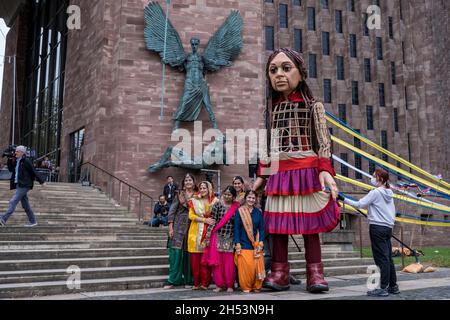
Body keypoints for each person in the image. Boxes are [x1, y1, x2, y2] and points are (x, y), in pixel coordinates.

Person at [256, 48, 340, 293]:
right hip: (279, 174)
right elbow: (267, 145)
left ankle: (315, 272)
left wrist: (325, 170)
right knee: (277, 227)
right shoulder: (269, 111)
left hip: (306, 170)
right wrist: (262, 174)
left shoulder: (314, 107)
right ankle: (280, 272)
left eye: (286, 68)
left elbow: (324, 142)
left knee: (310, 224)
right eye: (273, 70)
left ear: (300, 74)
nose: (279, 74)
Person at [339, 169, 400, 297]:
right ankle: (393, 286)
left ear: (381, 179)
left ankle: (383, 288)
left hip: (377, 228)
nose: (371, 178)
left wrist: (342, 198)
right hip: (387, 228)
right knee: (388, 258)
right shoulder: (389, 193)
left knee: (382, 259)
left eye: (374, 176)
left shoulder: (376, 192)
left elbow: (359, 204)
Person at [202, 186, 240, 293]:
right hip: (217, 236)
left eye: (229, 195)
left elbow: (238, 224)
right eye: (225, 194)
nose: (227, 196)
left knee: (229, 263)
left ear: (233, 196)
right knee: (217, 263)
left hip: (230, 237)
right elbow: (212, 221)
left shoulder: (236, 207)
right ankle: (219, 284)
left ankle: (229, 285)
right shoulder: (217, 205)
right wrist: (208, 236)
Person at [164, 173, 197, 289]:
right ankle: (173, 280)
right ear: (184, 183)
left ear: (194, 182)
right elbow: (172, 211)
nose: (188, 182)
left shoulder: (198, 195)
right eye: (186, 180)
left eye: (190, 180)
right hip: (178, 226)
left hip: (192, 227)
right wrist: (171, 227)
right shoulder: (179, 194)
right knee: (176, 254)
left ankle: (189, 280)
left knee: (189, 254)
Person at [0, 146, 46, 227]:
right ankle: (33, 221)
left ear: (22, 153)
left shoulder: (26, 161)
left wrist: (41, 181)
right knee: (25, 205)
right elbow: (11, 169)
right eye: (15, 151)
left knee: (13, 201)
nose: (15, 153)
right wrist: (9, 159)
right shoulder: (17, 160)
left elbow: (33, 171)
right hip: (19, 184)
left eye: (17, 151)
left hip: (25, 185)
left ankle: (3, 219)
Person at [187, 181, 218, 290]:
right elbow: (190, 215)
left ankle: (205, 283)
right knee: (195, 260)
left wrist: (210, 222)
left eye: (205, 188)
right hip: (195, 231)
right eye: (201, 188)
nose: (203, 190)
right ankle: (196, 283)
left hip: (209, 232)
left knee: (205, 260)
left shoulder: (215, 201)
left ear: (209, 188)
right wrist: (205, 219)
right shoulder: (194, 200)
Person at [234, 190, 265, 293]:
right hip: (243, 243)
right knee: (246, 269)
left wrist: (261, 241)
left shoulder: (258, 212)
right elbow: (236, 228)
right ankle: (246, 286)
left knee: (255, 267)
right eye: (249, 197)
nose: (251, 200)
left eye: (253, 198)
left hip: (255, 244)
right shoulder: (240, 211)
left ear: (255, 199)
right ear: (245, 198)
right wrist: (237, 243)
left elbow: (261, 229)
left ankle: (256, 286)